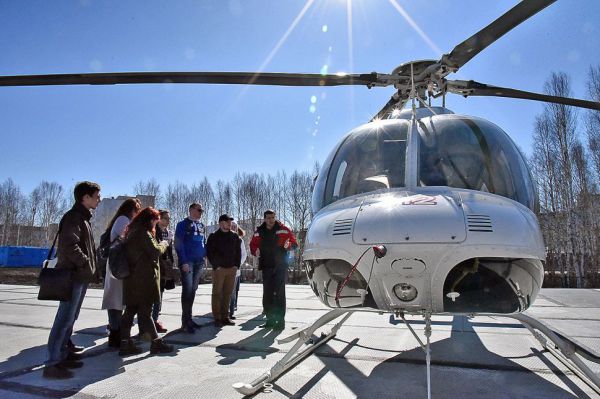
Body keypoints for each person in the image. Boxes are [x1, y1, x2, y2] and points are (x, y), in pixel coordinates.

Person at [43, 181, 101, 379]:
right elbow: (70, 245)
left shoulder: (83, 218)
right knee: (64, 318)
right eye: (96, 196)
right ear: (85, 197)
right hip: (72, 275)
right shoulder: (74, 217)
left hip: (79, 275)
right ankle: (52, 364)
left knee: (70, 318)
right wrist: (85, 263)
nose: (99, 200)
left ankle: (62, 354)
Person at [119, 207, 174, 356]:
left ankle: (125, 343)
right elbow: (155, 251)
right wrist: (164, 243)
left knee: (130, 310)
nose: (155, 226)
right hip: (143, 278)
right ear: (149, 220)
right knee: (145, 312)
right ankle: (156, 342)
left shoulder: (132, 232)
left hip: (133, 278)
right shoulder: (143, 233)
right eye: (155, 222)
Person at [101, 198, 141, 348]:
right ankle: (116, 333)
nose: (137, 213)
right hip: (119, 266)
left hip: (118, 265)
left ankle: (116, 332)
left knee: (117, 300)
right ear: (131, 210)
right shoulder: (123, 220)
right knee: (116, 301)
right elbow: (130, 240)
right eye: (137, 210)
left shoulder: (120, 220)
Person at [249, 210, 297, 331]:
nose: (271, 219)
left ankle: (280, 321)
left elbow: (295, 243)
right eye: (269, 218)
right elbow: (252, 245)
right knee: (268, 293)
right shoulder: (259, 231)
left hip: (280, 266)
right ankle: (270, 320)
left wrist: (289, 245)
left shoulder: (284, 229)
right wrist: (256, 251)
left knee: (280, 293)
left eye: (273, 217)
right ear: (264, 219)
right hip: (266, 266)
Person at [174, 203, 207, 333]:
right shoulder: (182, 224)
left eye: (202, 211)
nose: (200, 213)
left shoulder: (202, 225)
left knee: (193, 290)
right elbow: (178, 243)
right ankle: (185, 321)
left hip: (199, 262)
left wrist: (205, 255)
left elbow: (203, 242)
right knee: (187, 290)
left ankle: (190, 319)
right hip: (188, 262)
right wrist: (184, 261)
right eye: (199, 210)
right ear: (191, 210)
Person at [206, 214, 241, 327]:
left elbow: (238, 252)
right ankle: (217, 317)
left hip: (232, 269)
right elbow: (210, 252)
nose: (229, 223)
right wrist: (216, 266)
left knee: (228, 293)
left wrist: (237, 265)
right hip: (219, 270)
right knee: (217, 293)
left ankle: (225, 317)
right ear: (221, 223)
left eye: (230, 221)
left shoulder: (235, 236)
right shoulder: (213, 236)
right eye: (227, 221)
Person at [152, 209, 175, 333]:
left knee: (160, 293)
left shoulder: (168, 233)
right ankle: (152, 321)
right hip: (155, 265)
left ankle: (155, 319)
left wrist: (171, 263)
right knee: (155, 295)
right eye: (165, 218)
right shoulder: (154, 231)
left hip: (165, 265)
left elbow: (169, 250)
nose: (167, 221)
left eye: (169, 219)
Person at [229, 222, 247, 320]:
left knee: (233, 291)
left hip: (235, 269)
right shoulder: (223, 238)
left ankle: (231, 310)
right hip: (224, 269)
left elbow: (244, 254)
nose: (233, 228)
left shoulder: (240, 240)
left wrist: (237, 264)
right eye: (232, 226)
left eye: (235, 227)